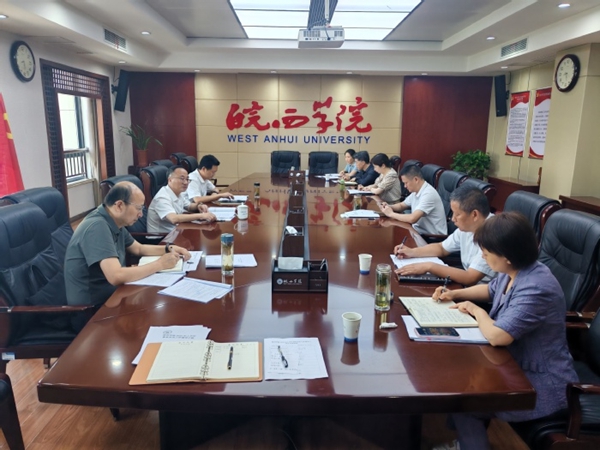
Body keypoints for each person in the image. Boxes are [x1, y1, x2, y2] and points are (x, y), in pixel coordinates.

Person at [431, 212, 578, 450]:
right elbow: (491, 290)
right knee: (457, 379)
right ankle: (463, 441)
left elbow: (498, 336)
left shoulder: (537, 287)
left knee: (465, 400)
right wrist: (455, 294)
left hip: (539, 383)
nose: (482, 256)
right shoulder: (516, 270)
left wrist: (475, 310)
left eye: (486, 252)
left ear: (507, 256)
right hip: (512, 363)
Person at [65, 181, 190, 308]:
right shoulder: (97, 226)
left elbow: (139, 248)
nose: (141, 214)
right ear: (119, 205)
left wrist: (169, 248)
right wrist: (160, 264)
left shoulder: (113, 221)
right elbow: (115, 275)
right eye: (138, 208)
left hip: (114, 295)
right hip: (94, 309)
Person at [395, 186, 495, 285]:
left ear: (474, 215)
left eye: (457, 214)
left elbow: (470, 277)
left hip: (482, 291)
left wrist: (429, 267)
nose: (453, 219)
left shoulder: (492, 234)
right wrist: (412, 252)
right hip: (464, 284)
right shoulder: (468, 226)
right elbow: (442, 248)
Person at [379, 164, 447, 235]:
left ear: (416, 179)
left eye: (406, 183)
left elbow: (412, 218)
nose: (405, 186)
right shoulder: (416, 191)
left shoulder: (429, 194)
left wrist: (391, 214)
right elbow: (402, 205)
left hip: (431, 237)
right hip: (417, 231)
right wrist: (389, 206)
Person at [147, 166, 217, 233]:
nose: (186, 182)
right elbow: (174, 219)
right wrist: (201, 216)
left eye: (187, 179)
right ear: (170, 180)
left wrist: (199, 206)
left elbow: (189, 206)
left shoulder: (178, 192)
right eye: (182, 179)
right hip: (161, 237)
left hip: (175, 231)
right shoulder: (162, 197)